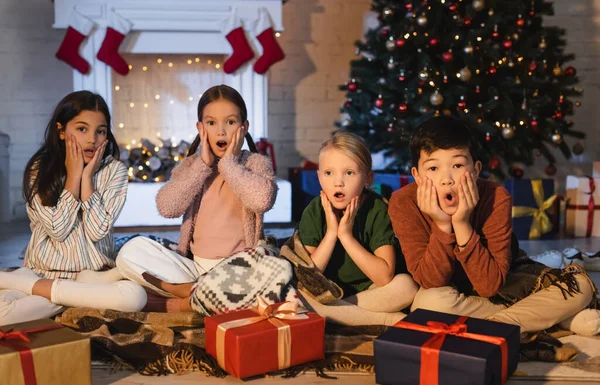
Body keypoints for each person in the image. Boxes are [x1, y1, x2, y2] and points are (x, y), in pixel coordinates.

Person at [389, 116, 598, 336]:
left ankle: (496, 326)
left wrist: (461, 222)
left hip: (502, 285)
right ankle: (543, 319)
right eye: (433, 168)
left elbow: (489, 285)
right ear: (417, 176)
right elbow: (431, 280)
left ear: (476, 170)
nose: (446, 179)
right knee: (428, 304)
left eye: (458, 165)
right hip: (447, 294)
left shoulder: (496, 196)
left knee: (580, 286)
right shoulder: (403, 202)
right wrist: (442, 225)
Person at [116, 85, 295, 315]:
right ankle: (197, 293)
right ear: (201, 128)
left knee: (274, 273)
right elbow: (167, 207)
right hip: (194, 268)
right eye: (211, 123)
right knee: (129, 252)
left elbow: (262, 200)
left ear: (244, 127)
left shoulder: (255, 163)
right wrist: (202, 166)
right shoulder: (194, 166)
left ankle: (179, 301)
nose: (221, 131)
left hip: (238, 270)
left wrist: (229, 164)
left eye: (230, 122)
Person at [0, 90, 146, 325]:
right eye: (81, 129)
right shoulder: (41, 169)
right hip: (45, 273)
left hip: (94, 277)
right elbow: (58, 230)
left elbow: (97, 232)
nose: (92, 139)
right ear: (61, 131)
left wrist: (87, 181)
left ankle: (23, 283)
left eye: (100, 131)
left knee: (135, 297)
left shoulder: (114, 171)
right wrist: (74, 175)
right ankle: (66, 296)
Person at [296, 132, 418, 326]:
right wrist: (331, 234)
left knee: (406, 285)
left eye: (349, 173)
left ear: (368, 178)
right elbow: (311, 276)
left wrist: (346, 236)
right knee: (296, 293)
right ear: (319, 177)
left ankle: (332, 313)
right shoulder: (314, 210)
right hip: (328, 290)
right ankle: (385, 319)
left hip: (370, 291)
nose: (338, 182)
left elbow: (384, 277)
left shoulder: (377, 208)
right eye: (329, 173)